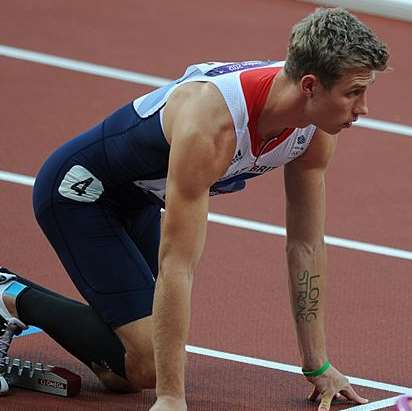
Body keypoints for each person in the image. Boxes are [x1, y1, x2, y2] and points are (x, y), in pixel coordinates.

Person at [0, 7, 388, 411]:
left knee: (124, 372)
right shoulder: (212, 122)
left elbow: (306, 245)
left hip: (139, 203)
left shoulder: (315, 126)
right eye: (353, 93)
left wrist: (318, 364)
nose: (363, 109)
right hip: (80, 194)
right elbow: (178, 265)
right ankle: (8, 293)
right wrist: (171, 398)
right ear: (310, 85)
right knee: (147, 367)